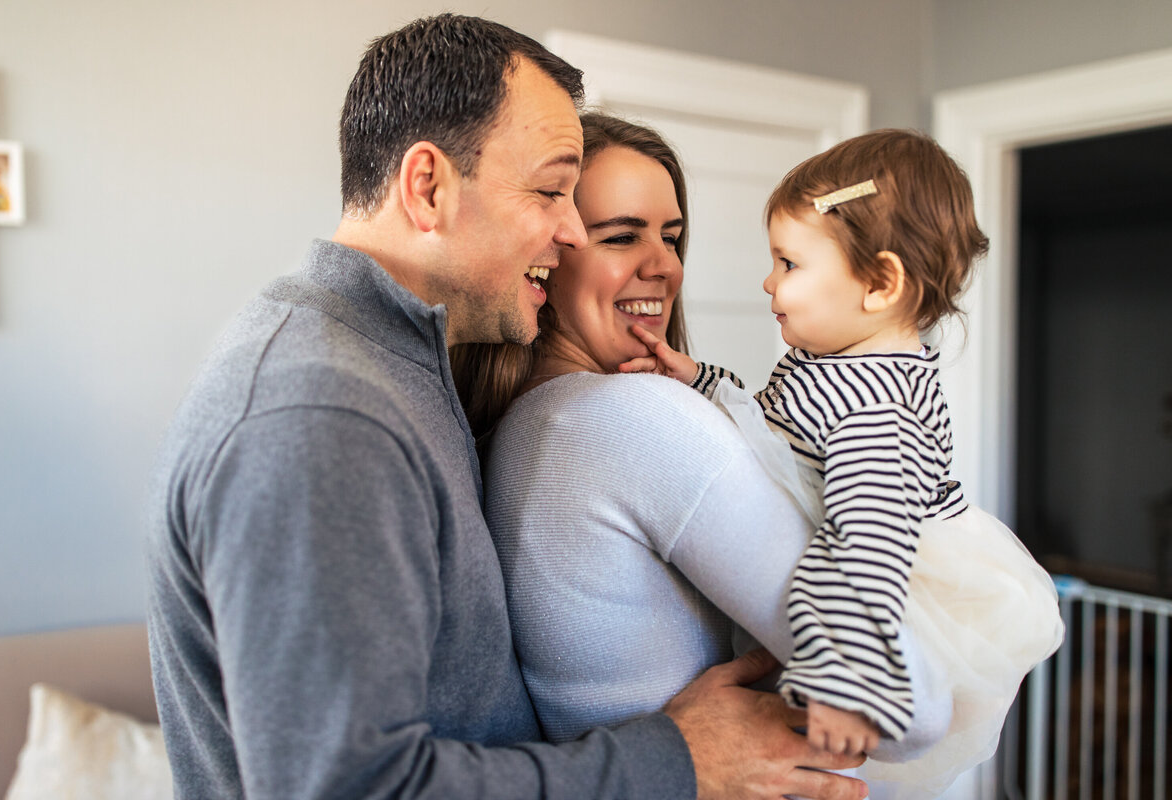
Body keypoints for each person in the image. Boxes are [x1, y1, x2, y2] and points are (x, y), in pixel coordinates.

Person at [146, 15, 867, 800]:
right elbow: (349, 788)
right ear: (428, 187)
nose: (570, 230)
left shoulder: (403, 364)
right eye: (552, 190)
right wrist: (677, 760)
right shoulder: (321, 413)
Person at [454, 114, 954, 793]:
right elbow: (915, 713)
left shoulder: (512, 430)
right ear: (553, 249)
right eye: (623, 235)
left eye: (673, 235)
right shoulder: (636, 421)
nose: (664, 265)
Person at [631, 128, 1065, 798]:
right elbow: (773, 426)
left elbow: (867, 554)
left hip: (883, 598)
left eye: (790, 264)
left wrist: (846, 682)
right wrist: (698, 378)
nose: (768, 280)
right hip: (861, 572)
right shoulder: (836, 364)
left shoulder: (877, 416)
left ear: (881, 283)